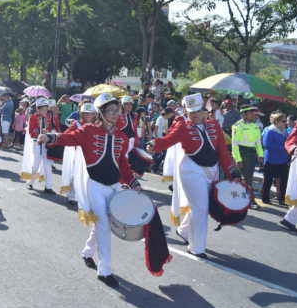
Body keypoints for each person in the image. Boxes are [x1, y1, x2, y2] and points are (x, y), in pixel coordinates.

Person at [38, 93, 141, 287]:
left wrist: (134, 183)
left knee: (105, 224)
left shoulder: (122, 137)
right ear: (101, 113)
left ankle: (87, 251)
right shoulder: (89, 131)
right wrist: (49, 136)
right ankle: (105, 270)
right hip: (94, 185)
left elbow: (123, 166)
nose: (114, 114)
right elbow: (68, 137)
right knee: (103, 225)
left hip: (114, 186)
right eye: (110, 111)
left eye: (116, 110)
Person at [147, 93, 239, 259]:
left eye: (198, 111)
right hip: (191, 169)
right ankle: (196, 247)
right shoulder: (183, 126)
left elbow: (223, 152)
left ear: (206, 111)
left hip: (212, 170)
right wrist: (154, 145)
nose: (195, 115)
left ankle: (183, 230)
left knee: (200, 205)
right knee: (201, 208)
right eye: (191, 112)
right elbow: (168, 140)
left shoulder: (214, 126)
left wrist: (231, 171)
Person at [231, 105, 264, 209]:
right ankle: (250, 201)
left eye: (255, 113)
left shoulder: (255, 126)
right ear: (244, 114)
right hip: (242, 152)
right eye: (252, 113)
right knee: (247, 179)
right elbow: (234, 144)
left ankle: (241, 199)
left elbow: (258, 142)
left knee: (247, 178)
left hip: (252, 154)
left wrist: (261, 155)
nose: (255, 115)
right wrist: (238, 159)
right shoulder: (238, 126)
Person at [24, 98, 58, 194]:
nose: (45, 111)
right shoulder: (33, 117)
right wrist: (38, 132)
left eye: (46, 109)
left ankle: (48, 186)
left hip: (46, 144)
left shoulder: (48, 117)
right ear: (38, 109)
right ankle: (30, 182)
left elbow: (51, 128)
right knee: (36, 164)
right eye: (43, 109)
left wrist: (48, 132)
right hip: (37, 144)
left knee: (48, 165)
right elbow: (31, 132)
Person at [261, 112, 289, 205]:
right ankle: (265, 198)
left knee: (283, 181)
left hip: (283, 160)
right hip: (271, 159)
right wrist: (283, 147)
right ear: (277, 122)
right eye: (283, 121)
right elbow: (267, 145)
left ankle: (282, 198)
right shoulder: (269, 130)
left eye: (285, 121)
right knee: (268, 180)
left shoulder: (285, 131)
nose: (285, 123)